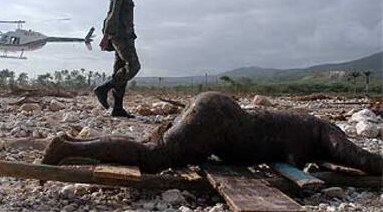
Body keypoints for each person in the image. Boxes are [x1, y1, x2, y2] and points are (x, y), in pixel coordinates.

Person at [42, 92, 382, 175]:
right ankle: (64, 147)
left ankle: (73, 145)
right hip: (221, 123)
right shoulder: (321, 130)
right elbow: (361, 158)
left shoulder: (306, 128)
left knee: (153, 148)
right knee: (156, 159)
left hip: (219, 115)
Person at [95, 0, 146, 118]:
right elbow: (112, 14)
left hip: (126, 36)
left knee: (120, 71)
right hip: (120, 36)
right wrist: (106, 36)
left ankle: (117, 108)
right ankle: (103, 89)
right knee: (134, 66)